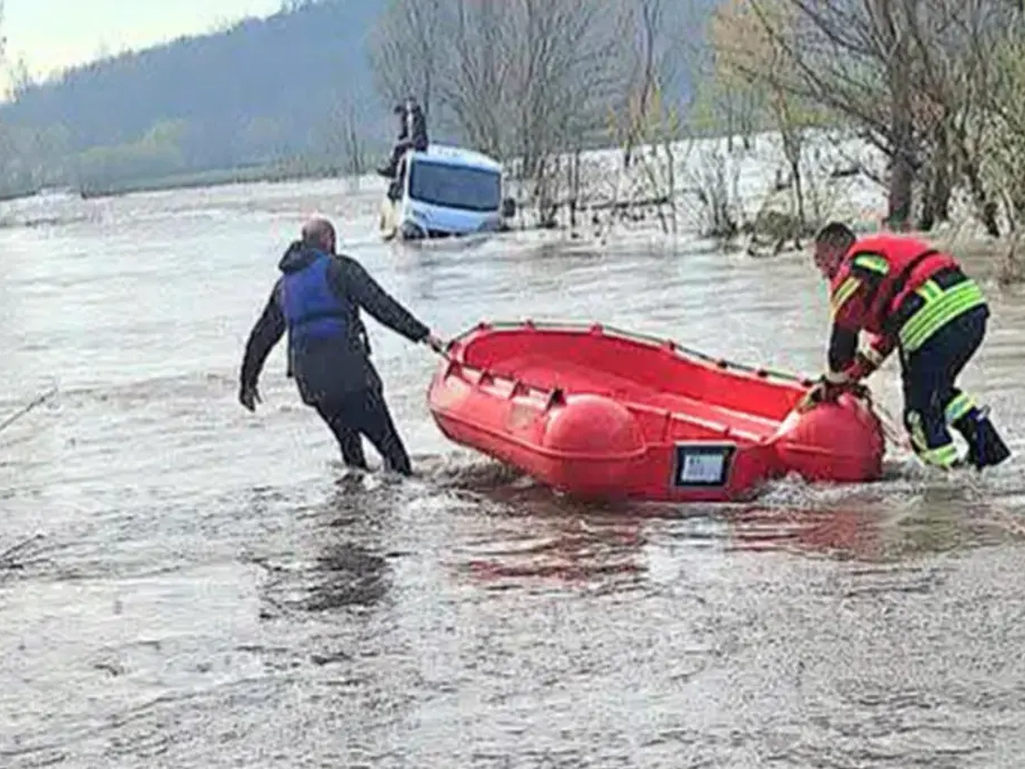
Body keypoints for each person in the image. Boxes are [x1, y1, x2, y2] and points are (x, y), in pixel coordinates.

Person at [238, 217, 445, 475]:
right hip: (350, 376)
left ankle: (353, 511)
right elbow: (381, 306)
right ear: (329, 241)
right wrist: (423, 334)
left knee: (351, 452)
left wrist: (247, 382)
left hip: (313, 385)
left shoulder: (284, 287)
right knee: (394, 455)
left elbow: (262, 335)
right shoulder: (340, 269)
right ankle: (396, 508)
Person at [800, 221, 1010, 471]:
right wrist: (856, 374)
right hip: (970, 310)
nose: (823, 274)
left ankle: (947, 487)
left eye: (820, 262)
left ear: (833, 253)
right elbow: (888, 337)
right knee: (938, 392)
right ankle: (989, 451)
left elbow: (841, 343)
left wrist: (833, 384)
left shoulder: (850, 271)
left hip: (932, 318)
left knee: (918, 414)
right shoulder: (878, 264)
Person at [377, 98, 429, 179]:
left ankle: (392, 168)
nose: (409, 106)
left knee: (398, 147)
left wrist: (410, 140)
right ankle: (393, 165)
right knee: (398, 146)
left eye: (411, 104)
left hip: (418, 141)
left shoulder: (418, 116)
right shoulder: (407, 116)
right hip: (411, 140)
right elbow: (405, 131)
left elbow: (417, 132)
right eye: (408, 104)